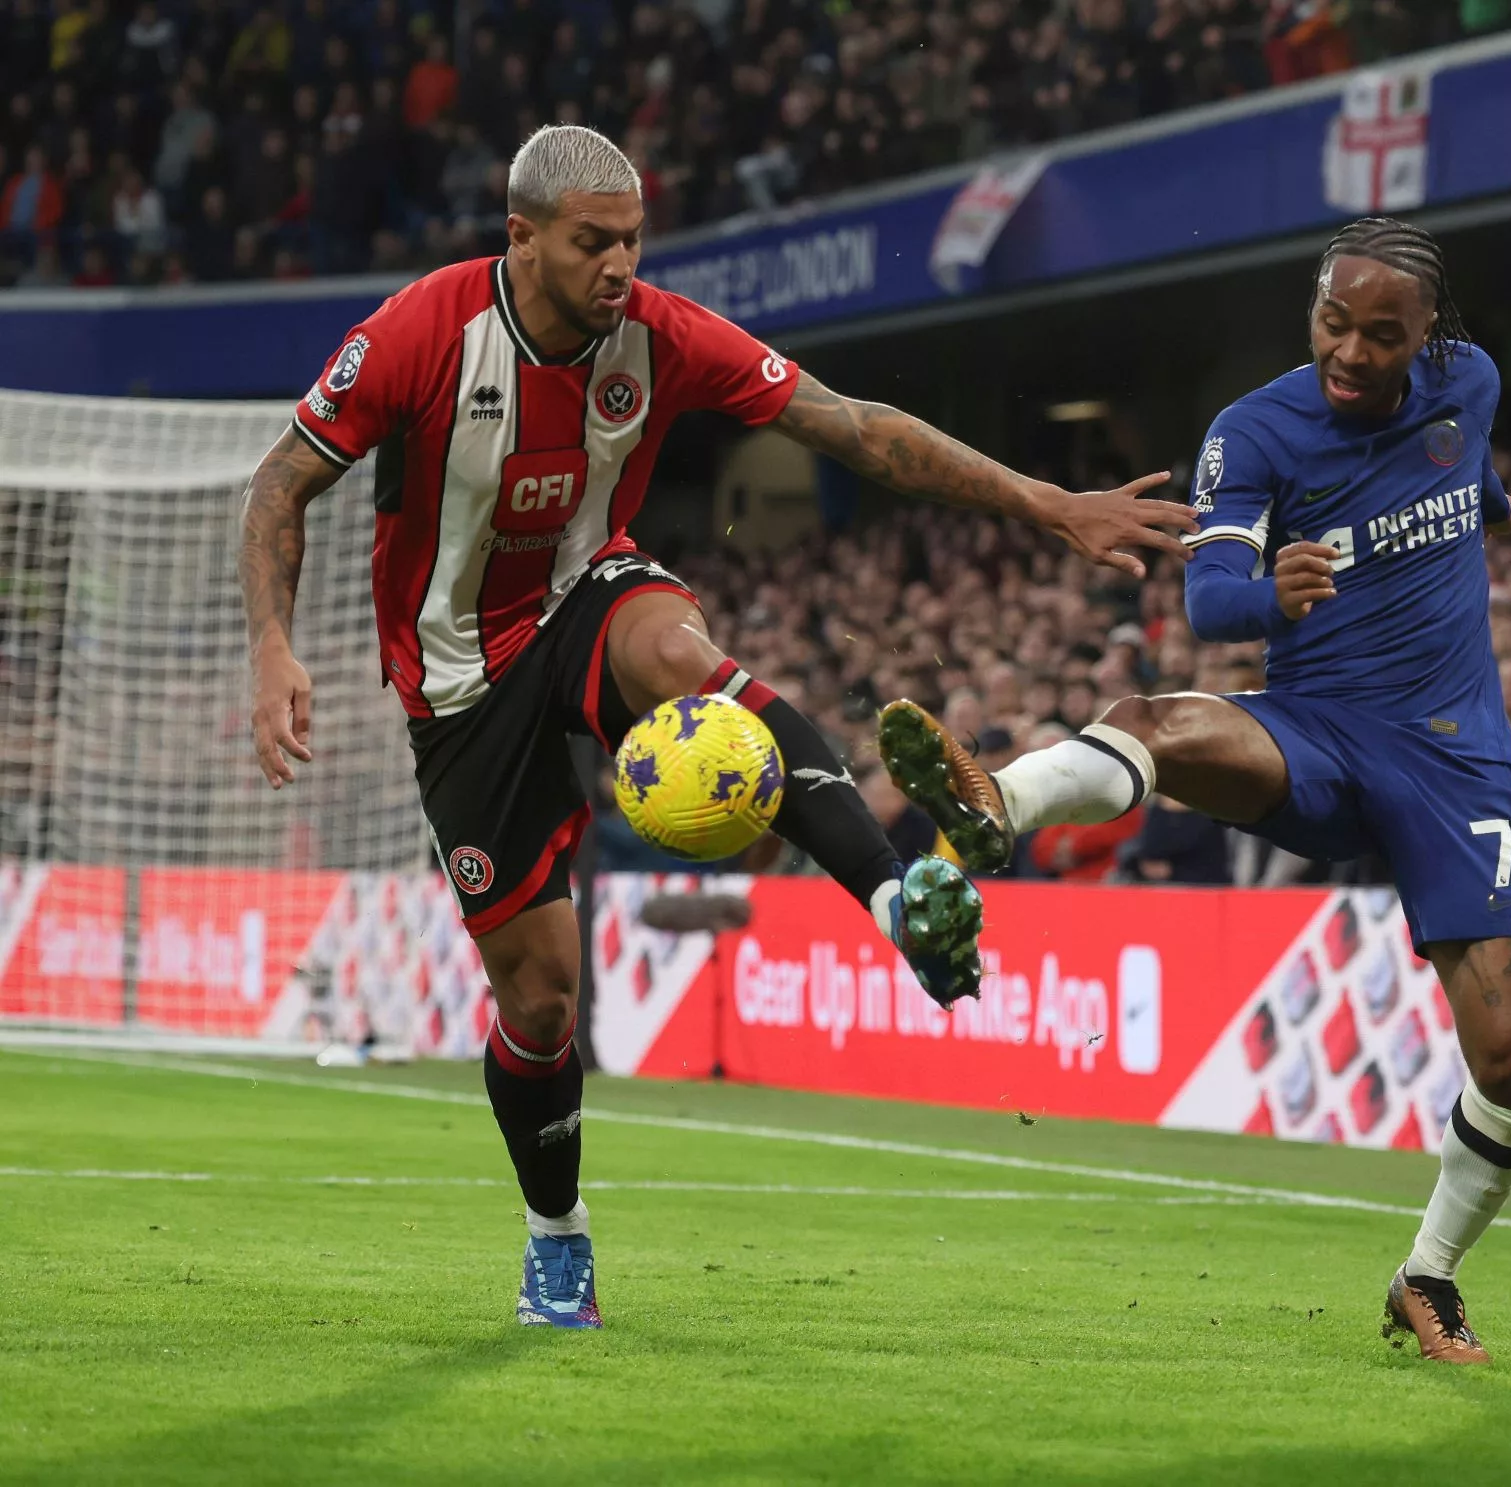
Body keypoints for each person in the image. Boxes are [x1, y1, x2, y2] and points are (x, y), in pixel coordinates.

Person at [237, 124, 1194, 1331]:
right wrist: (273, 643)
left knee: (680, 654)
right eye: (592, 243)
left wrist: (1042, 500)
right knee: (541, 1001)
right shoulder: (422, 332)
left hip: (588, 594)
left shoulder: (663, 334)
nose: (619, 266)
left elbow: (852, 426)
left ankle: (897, 901)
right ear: (520, 236)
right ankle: (557, 1234)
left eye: (633, 241)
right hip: (459, 682)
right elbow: (281, 480)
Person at [879, 218, 1511, 1365]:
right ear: (1314, 306)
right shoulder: (1254, 430)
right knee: (1160, 719)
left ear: (1427, 335)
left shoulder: (1467, 385)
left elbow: (1467, 486)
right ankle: (998, 802)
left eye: (1379, 336)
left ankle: (1425, 1276)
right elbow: (1211, 600)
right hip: (1320, 732)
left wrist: (1479, 517)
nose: (1348, 350)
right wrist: (1272, 595)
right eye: (1333, 321)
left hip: (1454, 759)